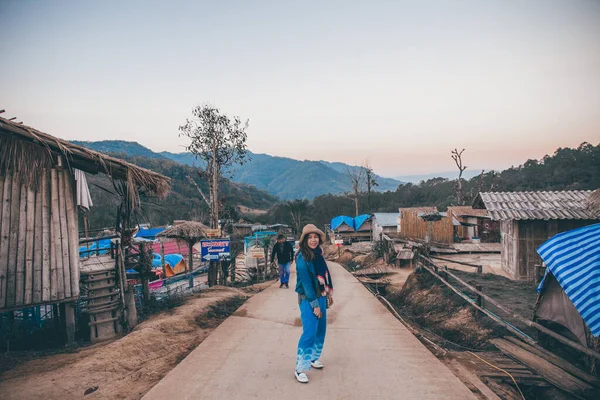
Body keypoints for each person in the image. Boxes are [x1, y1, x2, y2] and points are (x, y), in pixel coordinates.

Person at [294, 224, 334, 384]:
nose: (313, 240)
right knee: (309, 333)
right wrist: (315, 305)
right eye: (310, 237)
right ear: (304, 240)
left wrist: (328, 294)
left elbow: (325, 275)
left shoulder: (318, 255)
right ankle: (300, 368)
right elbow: (307, 286)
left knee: (321, 330)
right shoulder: (302, 259)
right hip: (308, 299)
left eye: (315, 237)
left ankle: (313, 358)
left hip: (322, 296)